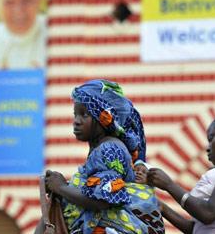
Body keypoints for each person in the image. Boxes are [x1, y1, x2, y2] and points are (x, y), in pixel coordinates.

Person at [41, 79, 164, 234]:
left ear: (103, 119)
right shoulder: (101, 148)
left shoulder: (109, 149)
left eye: (84, 115)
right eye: (75, 114)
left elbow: (102, 200)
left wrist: (61, 187)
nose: (76, 122)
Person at [148, 112, 215, 233]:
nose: (208, 147)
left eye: (211, 139)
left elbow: (208, 213)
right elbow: (196, 230)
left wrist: (169, 185)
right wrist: (162, 207)